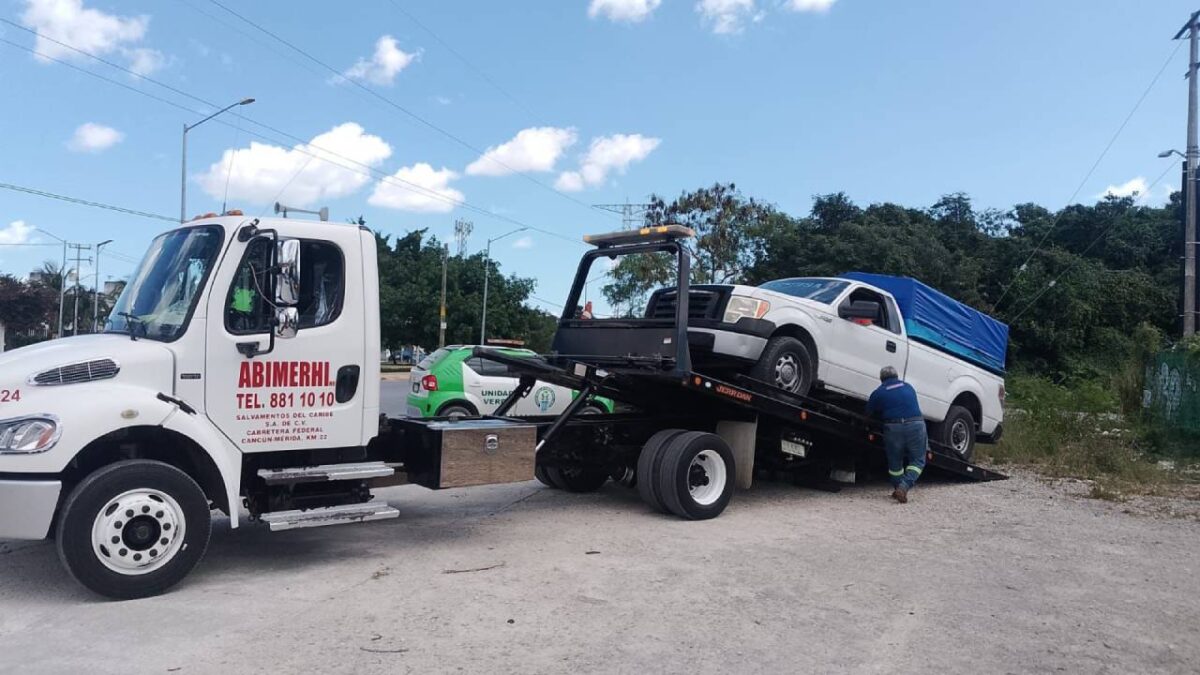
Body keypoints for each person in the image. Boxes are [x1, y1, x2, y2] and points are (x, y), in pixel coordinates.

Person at [865, 365, 927, 503]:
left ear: (881, 379)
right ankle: (903, 488)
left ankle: (898, 487)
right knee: (918, 460)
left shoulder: (879, 392)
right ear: (897, 376)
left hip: (893, 428)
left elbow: (868, 414)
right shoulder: (908, 387)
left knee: (895, 463)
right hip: (916, 425)